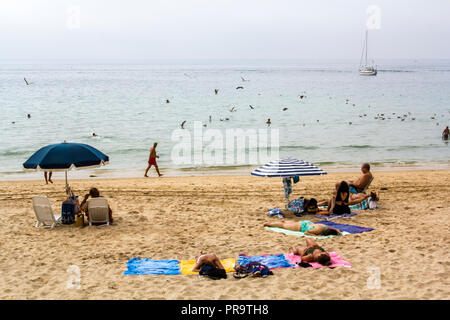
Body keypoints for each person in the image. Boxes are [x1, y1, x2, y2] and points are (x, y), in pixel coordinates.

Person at [264, 219, 342, 236]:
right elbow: (306, 232)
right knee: (283, 225)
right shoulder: (319, 230)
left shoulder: (325, 227)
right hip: (301, 227)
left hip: (305, 223)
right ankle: (268, 224)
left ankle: (271, 222)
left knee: (286, 223)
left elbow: (335, 229)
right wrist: (316, 235)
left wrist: (337, 231)